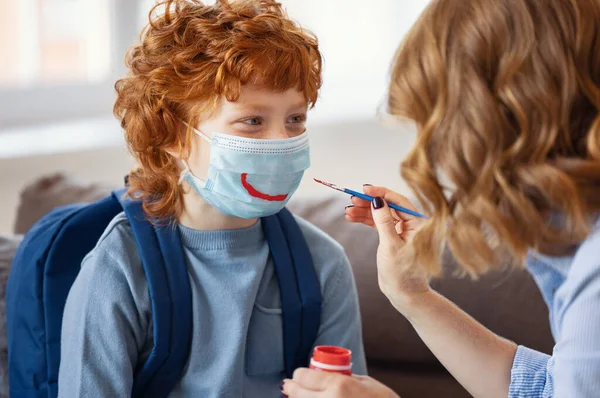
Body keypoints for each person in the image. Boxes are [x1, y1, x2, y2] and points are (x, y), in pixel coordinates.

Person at [282, 0, 600, 397]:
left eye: (445, 125)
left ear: (508, 116)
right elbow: (550, 388)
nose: (435, 155)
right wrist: (413, 296)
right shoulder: (570, 237)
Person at [57, 1, 366, 396]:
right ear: (172, 135)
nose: (282, 142)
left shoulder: (323, 264)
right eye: (252, 121)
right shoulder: (120, 268)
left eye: (295, 119)